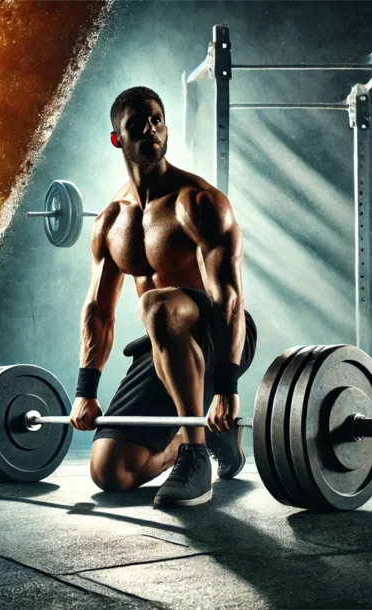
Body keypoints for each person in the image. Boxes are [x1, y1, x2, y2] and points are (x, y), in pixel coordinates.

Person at [68, 86, 257, 508]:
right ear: (118, 139)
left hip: (217, 337)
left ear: (166, 129)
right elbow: (99, 310)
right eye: (137, 123)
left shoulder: (199, 202)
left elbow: (228, 297)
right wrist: (86, 389)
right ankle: (206, 435)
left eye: (157, 119)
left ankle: (194, 457)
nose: (150, 128)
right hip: (162, 350)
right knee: (109, 472)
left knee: (155, 304)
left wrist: (226, 387)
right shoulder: (111, 222)